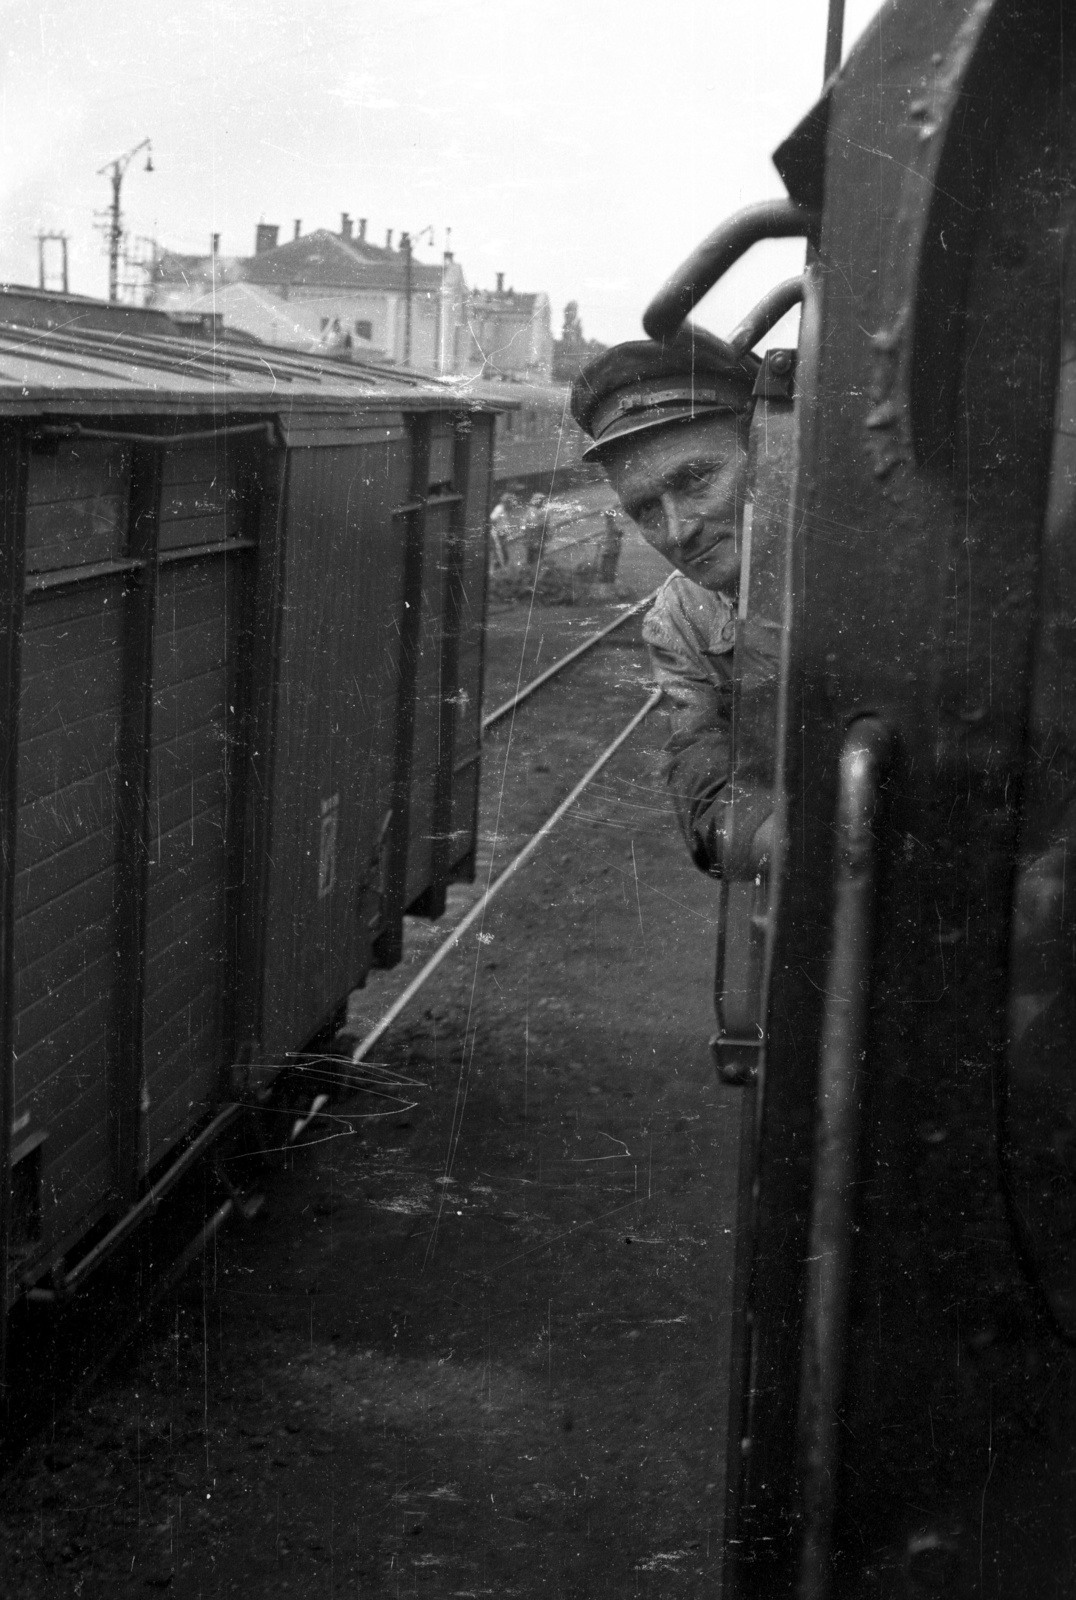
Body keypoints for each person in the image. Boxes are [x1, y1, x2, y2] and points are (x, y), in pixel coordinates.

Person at [569, 336, 773, 881]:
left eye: (696, 479)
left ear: (770, 450)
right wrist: (756, 834)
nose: (678, 530)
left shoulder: (873, 556)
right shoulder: (681, 617)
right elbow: (697, 760)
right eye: (645, 510)